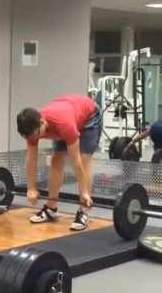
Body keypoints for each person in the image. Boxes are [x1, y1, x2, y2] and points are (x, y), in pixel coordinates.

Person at [16, 94, 102, 231]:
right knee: (56, 160)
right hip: (68, 112)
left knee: (84, 160)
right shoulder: (31, 128)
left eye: (37, 135)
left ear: (42, 122)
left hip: (89, 116)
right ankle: (51, 208)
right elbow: (31, 159)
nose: (36, 138)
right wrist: (31, 188)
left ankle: (84, 210)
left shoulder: (64, 125)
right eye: (32, 137)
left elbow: (76, 161)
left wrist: (84, 192)